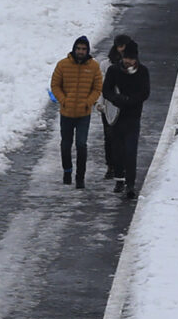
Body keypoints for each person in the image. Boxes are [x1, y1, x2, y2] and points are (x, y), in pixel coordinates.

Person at [49, 36, 103, 186]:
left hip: (83, 114)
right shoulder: (63, 65)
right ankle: (67, 171)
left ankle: (80, 177)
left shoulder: (93, 67)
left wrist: (88, 102)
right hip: (66, 113)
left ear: (87, 51)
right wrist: (64, 100)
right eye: (78, 49)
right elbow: (55, 85)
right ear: (74, 49)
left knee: (81, 144)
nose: (80, 52)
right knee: (66, 144)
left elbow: (97, 88)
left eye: (83, 49)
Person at [104, 41, 152, 198]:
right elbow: (106, 90)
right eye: (126, 58)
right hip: (116, 116)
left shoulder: (142, 72)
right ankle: (119, 178)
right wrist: (117, 99)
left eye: (131, 59)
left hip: (133, 116)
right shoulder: (113, 70)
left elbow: (145, 92)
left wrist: (130, 101)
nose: (128, 61)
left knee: (131, 151)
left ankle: (130, 184)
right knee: (118, 150)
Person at [100, 33, 135, 180]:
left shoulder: (132, 63)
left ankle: (123, 166)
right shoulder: (105, 65)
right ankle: (111, 166)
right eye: (119, 46)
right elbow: (102, 85)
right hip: (109, 105)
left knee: (124, 137)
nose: (121, 50)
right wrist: (100, 103)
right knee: (109, 137)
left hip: (126, 105)